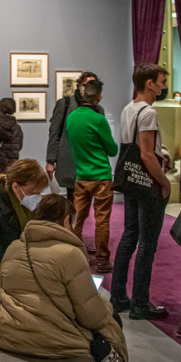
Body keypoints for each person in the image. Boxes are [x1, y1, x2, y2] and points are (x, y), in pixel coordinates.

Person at [0, 194, 129, 362]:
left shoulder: (14, 247)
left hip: (10, 330)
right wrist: (105, 306)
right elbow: (92, 318)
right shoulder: (70, 254)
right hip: (51, 340)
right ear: (66, 221)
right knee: (111, 322)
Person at [110, 63, 171, 320]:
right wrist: (165, 182)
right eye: (162, 82)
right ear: (150, 84)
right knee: (147, 244)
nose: (164, 87)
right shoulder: (148, 113)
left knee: (129, 235)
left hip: (130, 180)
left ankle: (118, 296)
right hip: (146, 183)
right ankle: (140, 303)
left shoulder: (128, 109)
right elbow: (146, 154)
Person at [0, 158, 48, 300]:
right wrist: (34, 265)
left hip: (25, 270)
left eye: (39, 193)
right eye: (33, 192)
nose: (37, 197)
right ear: (16, 187)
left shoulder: (28, 205)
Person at [66, 80, 119, 273]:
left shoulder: (71, 118)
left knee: (77, 219)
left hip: (81, 176)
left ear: (82, 95)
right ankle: (103, 260)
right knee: (102, 220)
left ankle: (75, 256)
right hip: (101, 176)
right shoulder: (98, 120)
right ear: (99, 97)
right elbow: (112, 150)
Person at [46, 71, 105, 203]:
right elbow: (54, 132)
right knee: (72, 198)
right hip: (69, 160)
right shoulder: (65, 104)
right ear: (79, 85)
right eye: (86, 85)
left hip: (90, 162)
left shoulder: (99, 110)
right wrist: (50, 160)